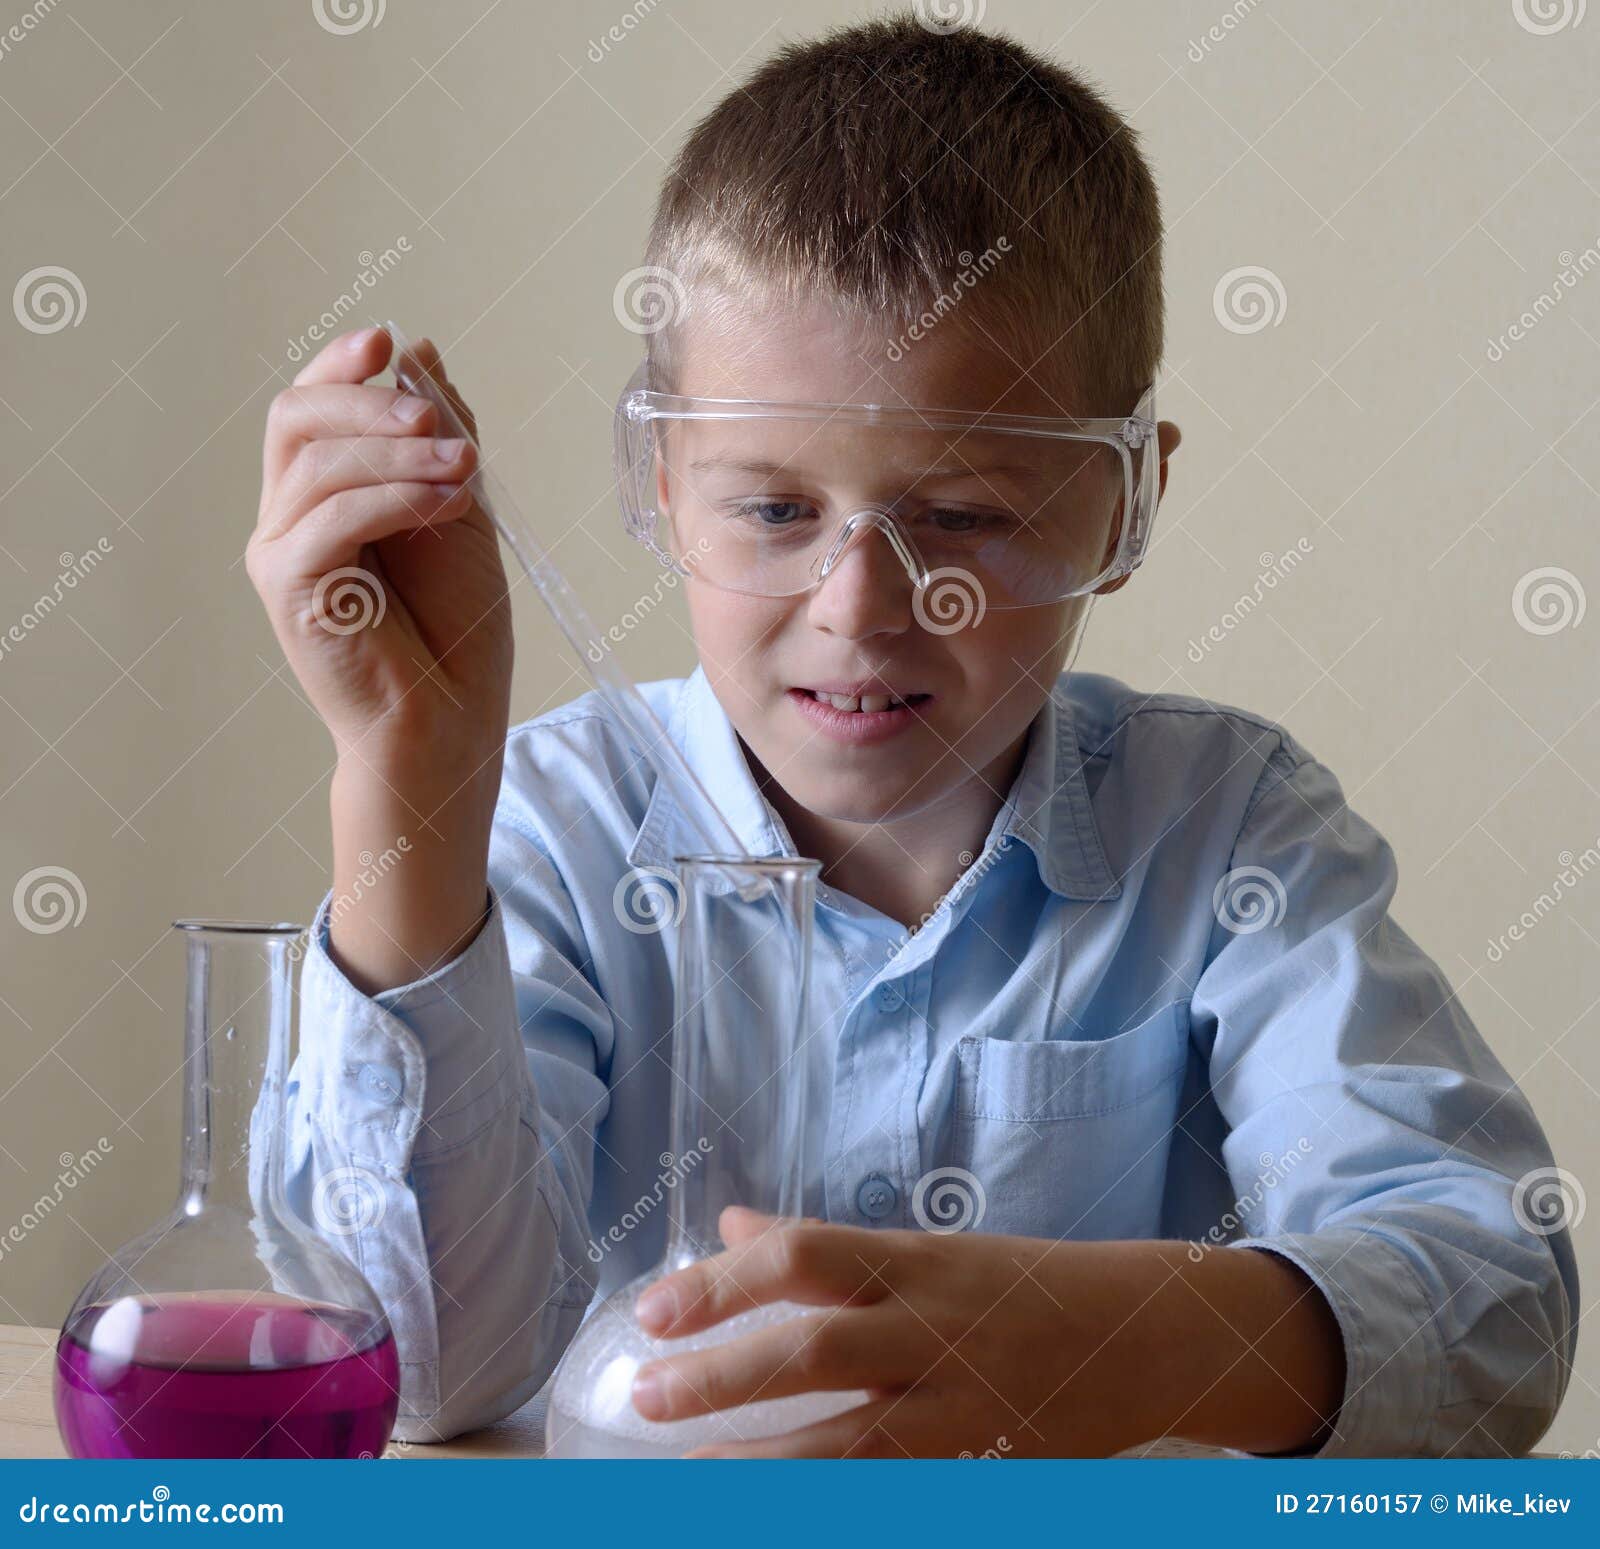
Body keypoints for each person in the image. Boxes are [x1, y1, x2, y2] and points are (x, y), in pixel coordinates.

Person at [247, 14, 1576, 1457]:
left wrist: (1098, 1346)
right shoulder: (552, 826)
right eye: (771, 508)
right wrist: (410, 782)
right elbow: (427, 1372)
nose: (861, 605)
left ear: (1125, 507)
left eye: (967, 515)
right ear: (663, 480)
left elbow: (1497, 1303)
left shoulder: (1225, 829)